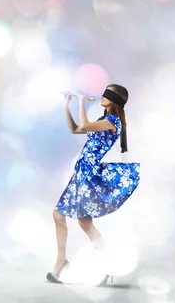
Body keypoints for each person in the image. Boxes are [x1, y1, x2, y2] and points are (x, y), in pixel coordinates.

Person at [46, 84, 140, 286]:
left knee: (68, 217)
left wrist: (80, 101)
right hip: (81, 172)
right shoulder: (103, 121)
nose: (102, 96)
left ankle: (97, 266)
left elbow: (85, 126)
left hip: (88, 174)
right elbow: (75, 129)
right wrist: (66, 105)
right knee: (81, 221)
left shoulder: (112, 121)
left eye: (108, 94)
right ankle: (63, 262)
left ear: (115, 100)